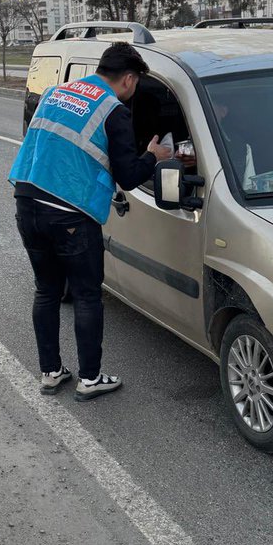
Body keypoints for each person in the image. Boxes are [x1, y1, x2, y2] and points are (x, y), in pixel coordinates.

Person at [10, 42, 173, 400]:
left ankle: (51, 372)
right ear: (129, 79)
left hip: (27, 202)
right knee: (86, 296)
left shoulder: (55, 92)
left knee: (47, 291)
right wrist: (154, 156)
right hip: (69, 212)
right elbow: (129, 177)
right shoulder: (113, 110)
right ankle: (90, 377)